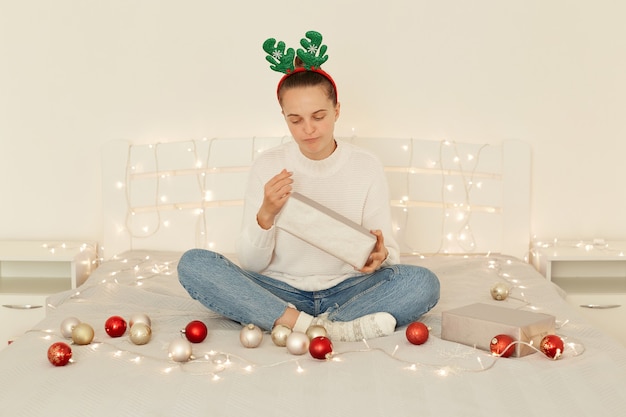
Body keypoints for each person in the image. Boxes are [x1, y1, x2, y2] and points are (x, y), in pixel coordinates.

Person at [177, 31, 439, 342]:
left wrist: (380, 254)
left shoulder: (366, 166)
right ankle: (310, 325)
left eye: (318, 116)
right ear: (284, 118)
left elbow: (385, 251)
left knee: (424, 283)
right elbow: (250, 263)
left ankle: (319, 324)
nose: (309, 129)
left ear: (337, 110)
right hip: (280, 291)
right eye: (296, 120)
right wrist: (266, 216)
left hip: (348, 289)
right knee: (194, 264)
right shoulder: (267, 166)